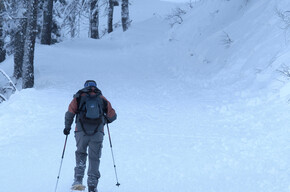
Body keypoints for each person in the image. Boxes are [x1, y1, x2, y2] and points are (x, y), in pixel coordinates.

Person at [63, 80, 117, 192]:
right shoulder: (102, 99)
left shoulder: (78, 97)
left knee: (81, 153)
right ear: (95, 87)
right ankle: (92, 185)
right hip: (97, 133)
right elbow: (112, 115)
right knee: (94, 158)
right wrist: (104, 120)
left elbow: (70, 113)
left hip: (81, 132)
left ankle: (78, 180)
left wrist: (67, 127)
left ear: (85, 87)